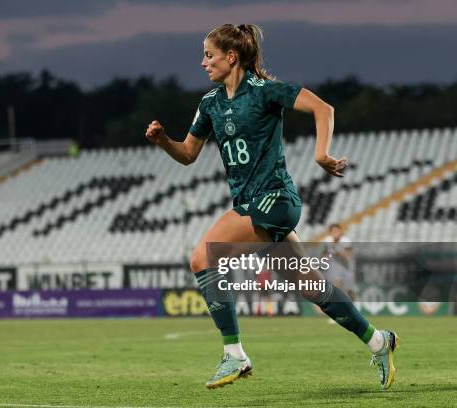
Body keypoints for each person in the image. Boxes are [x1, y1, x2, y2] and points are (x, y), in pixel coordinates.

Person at [145, 23, 398, 390]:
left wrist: (321, 154)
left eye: (209, 55)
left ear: (231, 57)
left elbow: (322, 108)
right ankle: (379, 341)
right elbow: (187, 154)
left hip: (274, 200)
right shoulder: (211, 104)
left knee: (202, 257)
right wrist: (163, 141)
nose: (203, 62)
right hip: (253, 204)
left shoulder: (265, 92)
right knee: (314, 289)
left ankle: (235, 354)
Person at [323, 223, 357, 300]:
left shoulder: (346, 240)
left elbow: (346, 255)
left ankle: (354, 304)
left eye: (336, 231)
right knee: (335, 284)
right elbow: (325, 253)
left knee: (350, 290)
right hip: (335, 265)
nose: (335, 233)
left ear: (340, 231)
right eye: (333, 232)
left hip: (346, 266)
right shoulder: (327, 240)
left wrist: (335, 247)